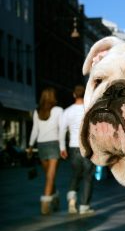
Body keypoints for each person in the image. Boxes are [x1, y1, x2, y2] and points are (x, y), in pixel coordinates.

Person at [59, 85, 95, 215]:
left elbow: (62, 130)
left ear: (74, 95)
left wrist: (62, 148)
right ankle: (84, 206)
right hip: (87, 147)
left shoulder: (67, 111)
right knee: (88, 176)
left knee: (75, 175)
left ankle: (71, 201)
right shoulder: (89, 109)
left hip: (73, 147)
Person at [28, 87, 63, 215]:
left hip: (41, 145)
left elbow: (34, 131)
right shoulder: (59, 110)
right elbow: (61, 130)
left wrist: (31, 146)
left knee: (49, 176)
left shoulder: (37, 111)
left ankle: (54, 198)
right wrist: (63, 147)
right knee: (50, 176)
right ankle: (46, 203)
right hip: (54, 144)